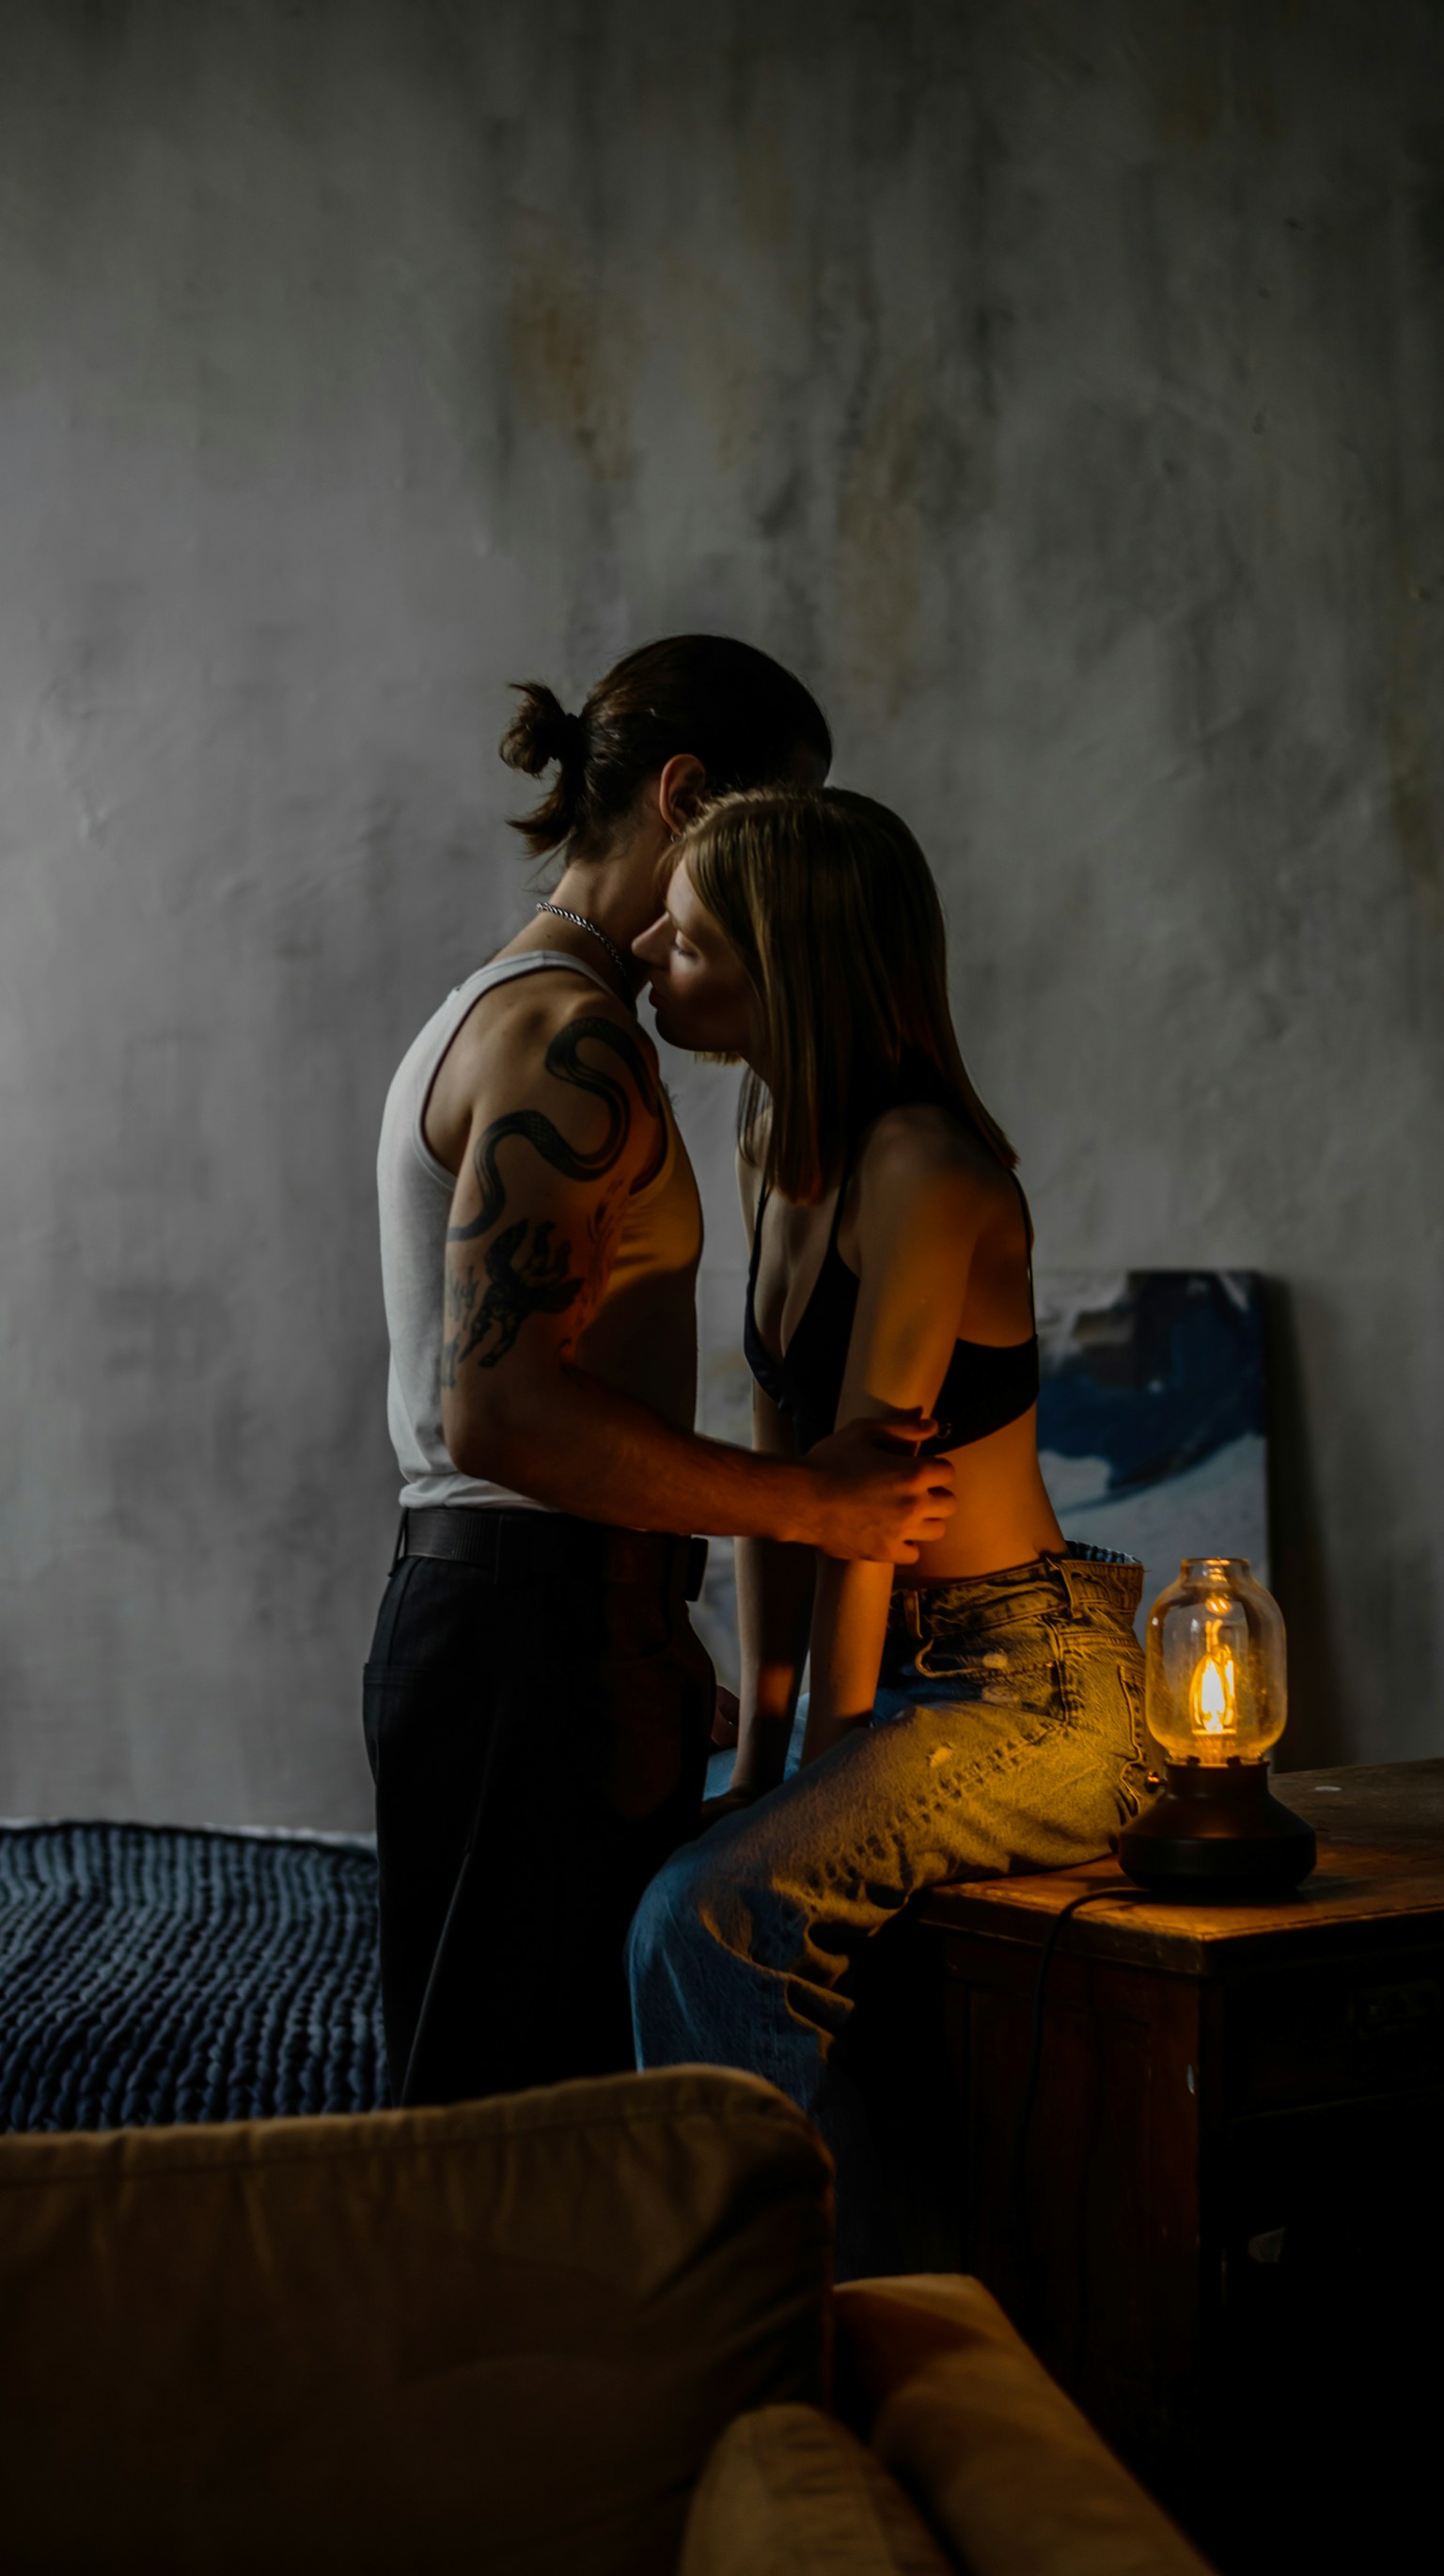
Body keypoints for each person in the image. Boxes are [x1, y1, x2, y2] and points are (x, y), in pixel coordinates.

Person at [365, 639, 955, 2109]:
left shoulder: (526, 1012)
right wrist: (817, 1504)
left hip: (546, 1635)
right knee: (523, 2150)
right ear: (686, 798)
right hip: (531, 1644)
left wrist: (655, 1646)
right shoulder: (569, 1042)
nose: (785, 868)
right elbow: (500, 1413)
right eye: (772, 820)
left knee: (548, 2128)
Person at [624, 786, 1153, 2265]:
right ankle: (793, 2287)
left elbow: (873, 1507)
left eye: (691, 937)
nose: (649, 948)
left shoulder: (921, 1167)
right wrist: (758, 1757)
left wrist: (822, 1756)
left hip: (1029, 1687)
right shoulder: (773, 1136)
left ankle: (794, 2330)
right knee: (667, 1860)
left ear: (788, 971)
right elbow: (784, 1473)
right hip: (907, 1686)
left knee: (699, 1917)